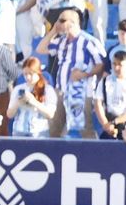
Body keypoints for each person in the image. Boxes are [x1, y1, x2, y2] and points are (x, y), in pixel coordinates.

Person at [37, 8, 105, 137]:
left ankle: (93, 155)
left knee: (86, 129)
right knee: (54, 128)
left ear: (73, 22)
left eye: (62, 20)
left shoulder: (89, 42)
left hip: (82, 92)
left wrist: (84, 75)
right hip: (61, 90)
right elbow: (40, 49)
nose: (58, 23)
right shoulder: (61, 41)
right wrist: (53, 31)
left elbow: (101, 64)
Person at [92, 50, 126, 140]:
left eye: (120, 65)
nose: (116, 68)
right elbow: (98, 103)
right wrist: (106, 124)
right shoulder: (105, 81)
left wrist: (116, 122)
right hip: (108, 124)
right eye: (114, 64)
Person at [6, 57, 58, 137]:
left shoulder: (48, 90)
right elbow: (9, 114)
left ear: (38, 73)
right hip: (19, 131)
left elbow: (50, 114)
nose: (28, 77)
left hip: (39, 132)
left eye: (31, 74)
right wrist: (18, 103)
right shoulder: (18, 89)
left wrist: (33, 102)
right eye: (25, 74)